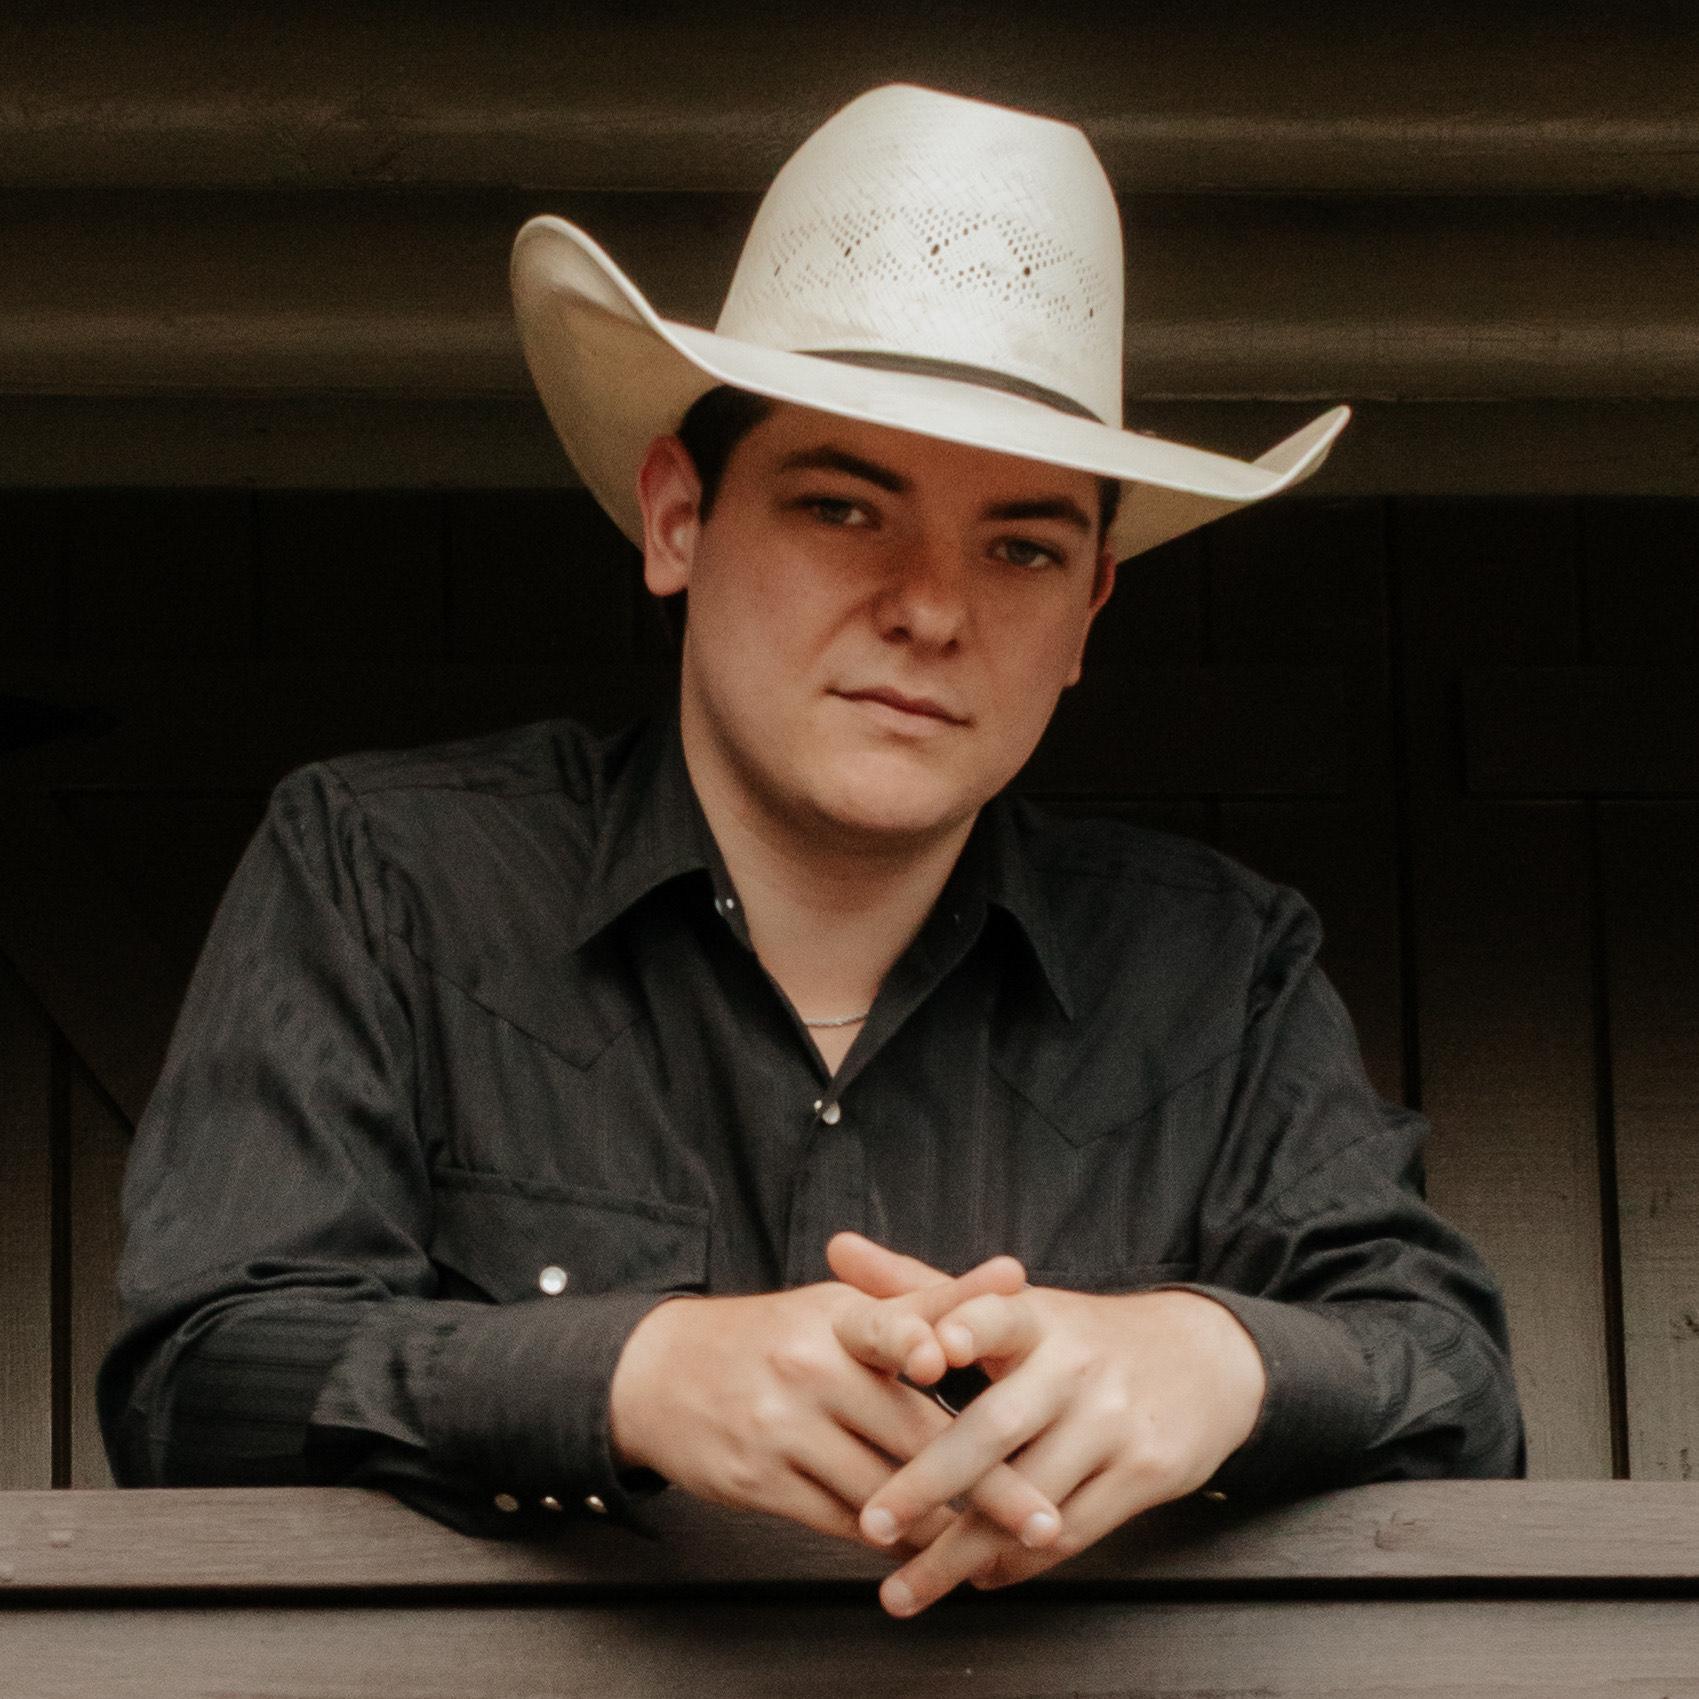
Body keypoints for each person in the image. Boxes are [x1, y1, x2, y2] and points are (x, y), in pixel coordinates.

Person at [99, 84, 1523, 1619]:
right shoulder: (386, 874)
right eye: (846, 508)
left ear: (1088, 615)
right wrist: (634, 1375)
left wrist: (1214, 1361)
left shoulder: (1220, 969)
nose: (932, 608)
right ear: (676, 519)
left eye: (1022, 547)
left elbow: (1460, 1391)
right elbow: (196, 1384)